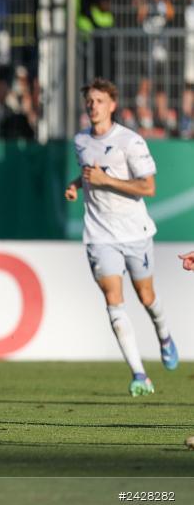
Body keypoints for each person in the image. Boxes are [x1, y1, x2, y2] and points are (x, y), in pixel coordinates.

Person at [64, 77, 178, 396]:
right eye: (89, 100)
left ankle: (164, 335)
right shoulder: (81, 141)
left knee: (146, 297)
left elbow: (148, 187)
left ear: (112, 105)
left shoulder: (131, 142)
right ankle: (139, 374)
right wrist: (77, 184)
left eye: (99, 100)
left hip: (134, 232)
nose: (93, 105)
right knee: (113, 299)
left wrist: (104, 181)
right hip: (99, 234)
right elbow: (89, 173)